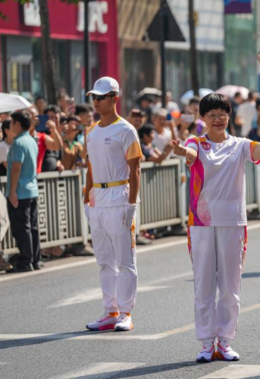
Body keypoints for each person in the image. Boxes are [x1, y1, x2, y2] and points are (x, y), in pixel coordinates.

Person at [171, 93, 260, 363]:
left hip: (233, 222)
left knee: (230, 285)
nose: (217, 119)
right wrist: (182, 152)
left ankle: (224, 341)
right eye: (211, 114)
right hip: (201, 223)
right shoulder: (196, 143)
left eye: (222, 114)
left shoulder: (240, 145)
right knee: (203, 283)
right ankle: (205, 343)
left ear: (228, 116)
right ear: (203, 118)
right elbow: (189, 153)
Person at [83, 76, 143, 332]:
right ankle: (110, 311)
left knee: (125, 260)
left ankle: (126, 313)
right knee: (104, 260)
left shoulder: (126, 130)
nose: (96, 101)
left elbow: (135, 170)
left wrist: (131, 204)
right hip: (98, 199)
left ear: (115, 98)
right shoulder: (91, 130)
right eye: (94, 97)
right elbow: (90, 167)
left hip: (119, 197)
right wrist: (86, 198)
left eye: (101, 97)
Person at [6, 110, 42, 273]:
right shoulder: (32, 140)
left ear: (18, 124)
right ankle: (35, 259)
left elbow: (16, 169)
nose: (10, 125)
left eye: (12, 122)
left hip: (20, 191)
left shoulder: (18, 143)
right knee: (32, 226)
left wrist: (12, 192)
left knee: (22, 227)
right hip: (32, 190)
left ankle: (25, 260)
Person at [41, 105, 64, 172]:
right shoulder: (41, 135)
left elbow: (59, 158)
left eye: (56, 118)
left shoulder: (58, 136)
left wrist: (59, 164)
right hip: (41, 176)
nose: (53, 120)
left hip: (53, 178)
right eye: (51, 117)